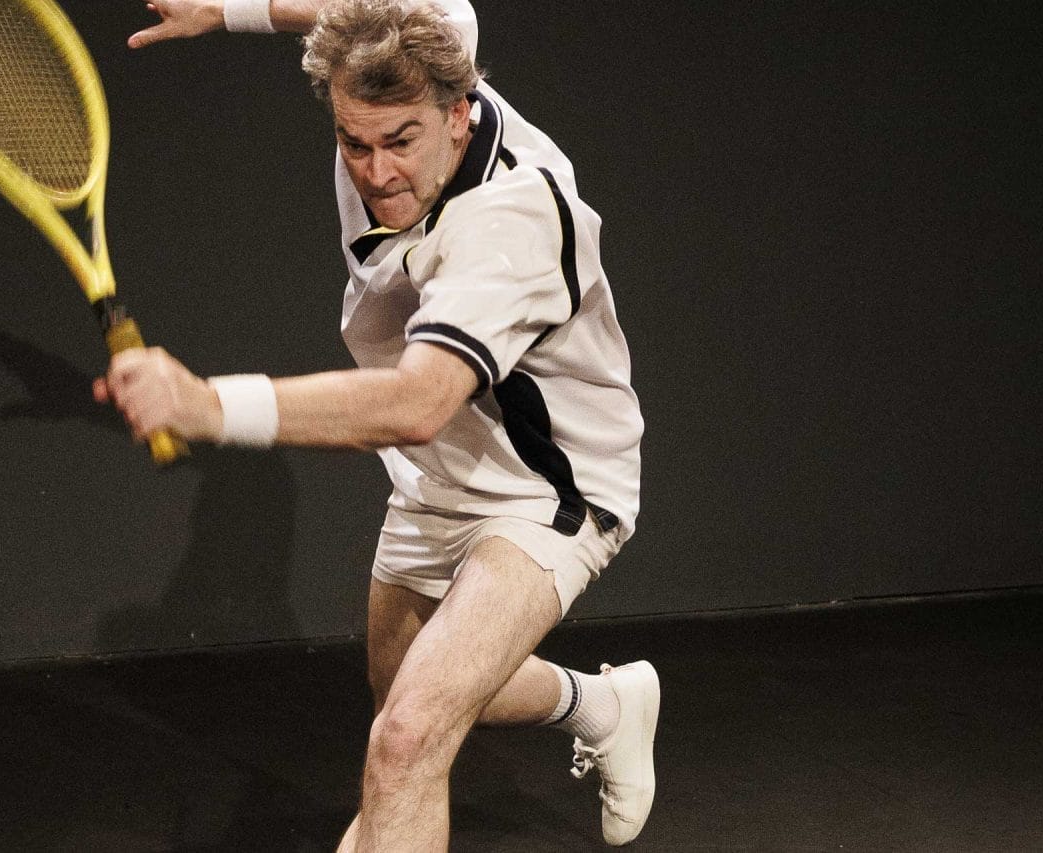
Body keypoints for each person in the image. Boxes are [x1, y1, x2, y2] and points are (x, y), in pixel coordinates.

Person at [96, 0, 660, 848]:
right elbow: (351, 12)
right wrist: (229, 12)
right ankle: (602, 704)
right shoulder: (430, 38)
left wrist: (208, 406)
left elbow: (416, 403)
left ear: (460, 113)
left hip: (551, 489)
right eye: (353, 143)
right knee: (402, 691)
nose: (376, 172)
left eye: (401, 141)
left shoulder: (512, 222)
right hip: (441, 472)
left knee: (405, 739)